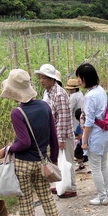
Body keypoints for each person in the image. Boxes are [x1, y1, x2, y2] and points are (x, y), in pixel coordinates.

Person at [0, 69, 62, 216]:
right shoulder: (44, 106)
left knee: (25, 201)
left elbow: (23, 143)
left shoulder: (17, 113)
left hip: (24, 164)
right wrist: (53, 159)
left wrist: (7, 148)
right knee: (47, 199)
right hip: (42, 162)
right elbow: (53, 138)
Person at [35, 64, 77, 198]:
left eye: (45, 78)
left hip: (63, 134)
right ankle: (60, 185)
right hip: (55, 133)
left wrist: (61, 139)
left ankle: (71, 187)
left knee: (67, 161)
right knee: (59, 161)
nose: (42, 80)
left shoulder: (59, 93)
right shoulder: (48, 92)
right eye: (40, 77)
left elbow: (64, 117)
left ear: (53, 79)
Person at [76, 63, 108, 206]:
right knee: (104, 165)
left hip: (96, 136)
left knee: (96, 168)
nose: (79, 80)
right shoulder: (101, 91)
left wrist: (84, 141)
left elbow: (89, 122)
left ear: (86, 78)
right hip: (105, 134)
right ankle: (107, 193)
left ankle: (101, 196)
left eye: (80, 77)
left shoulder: (90, 96)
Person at [74, 108, 88, 172]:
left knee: (76, 154)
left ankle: (82, 165)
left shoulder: (79, 126)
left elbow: (80, 136)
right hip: (87, 142)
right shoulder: (86, 123)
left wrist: (74, 138)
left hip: (81, 144)